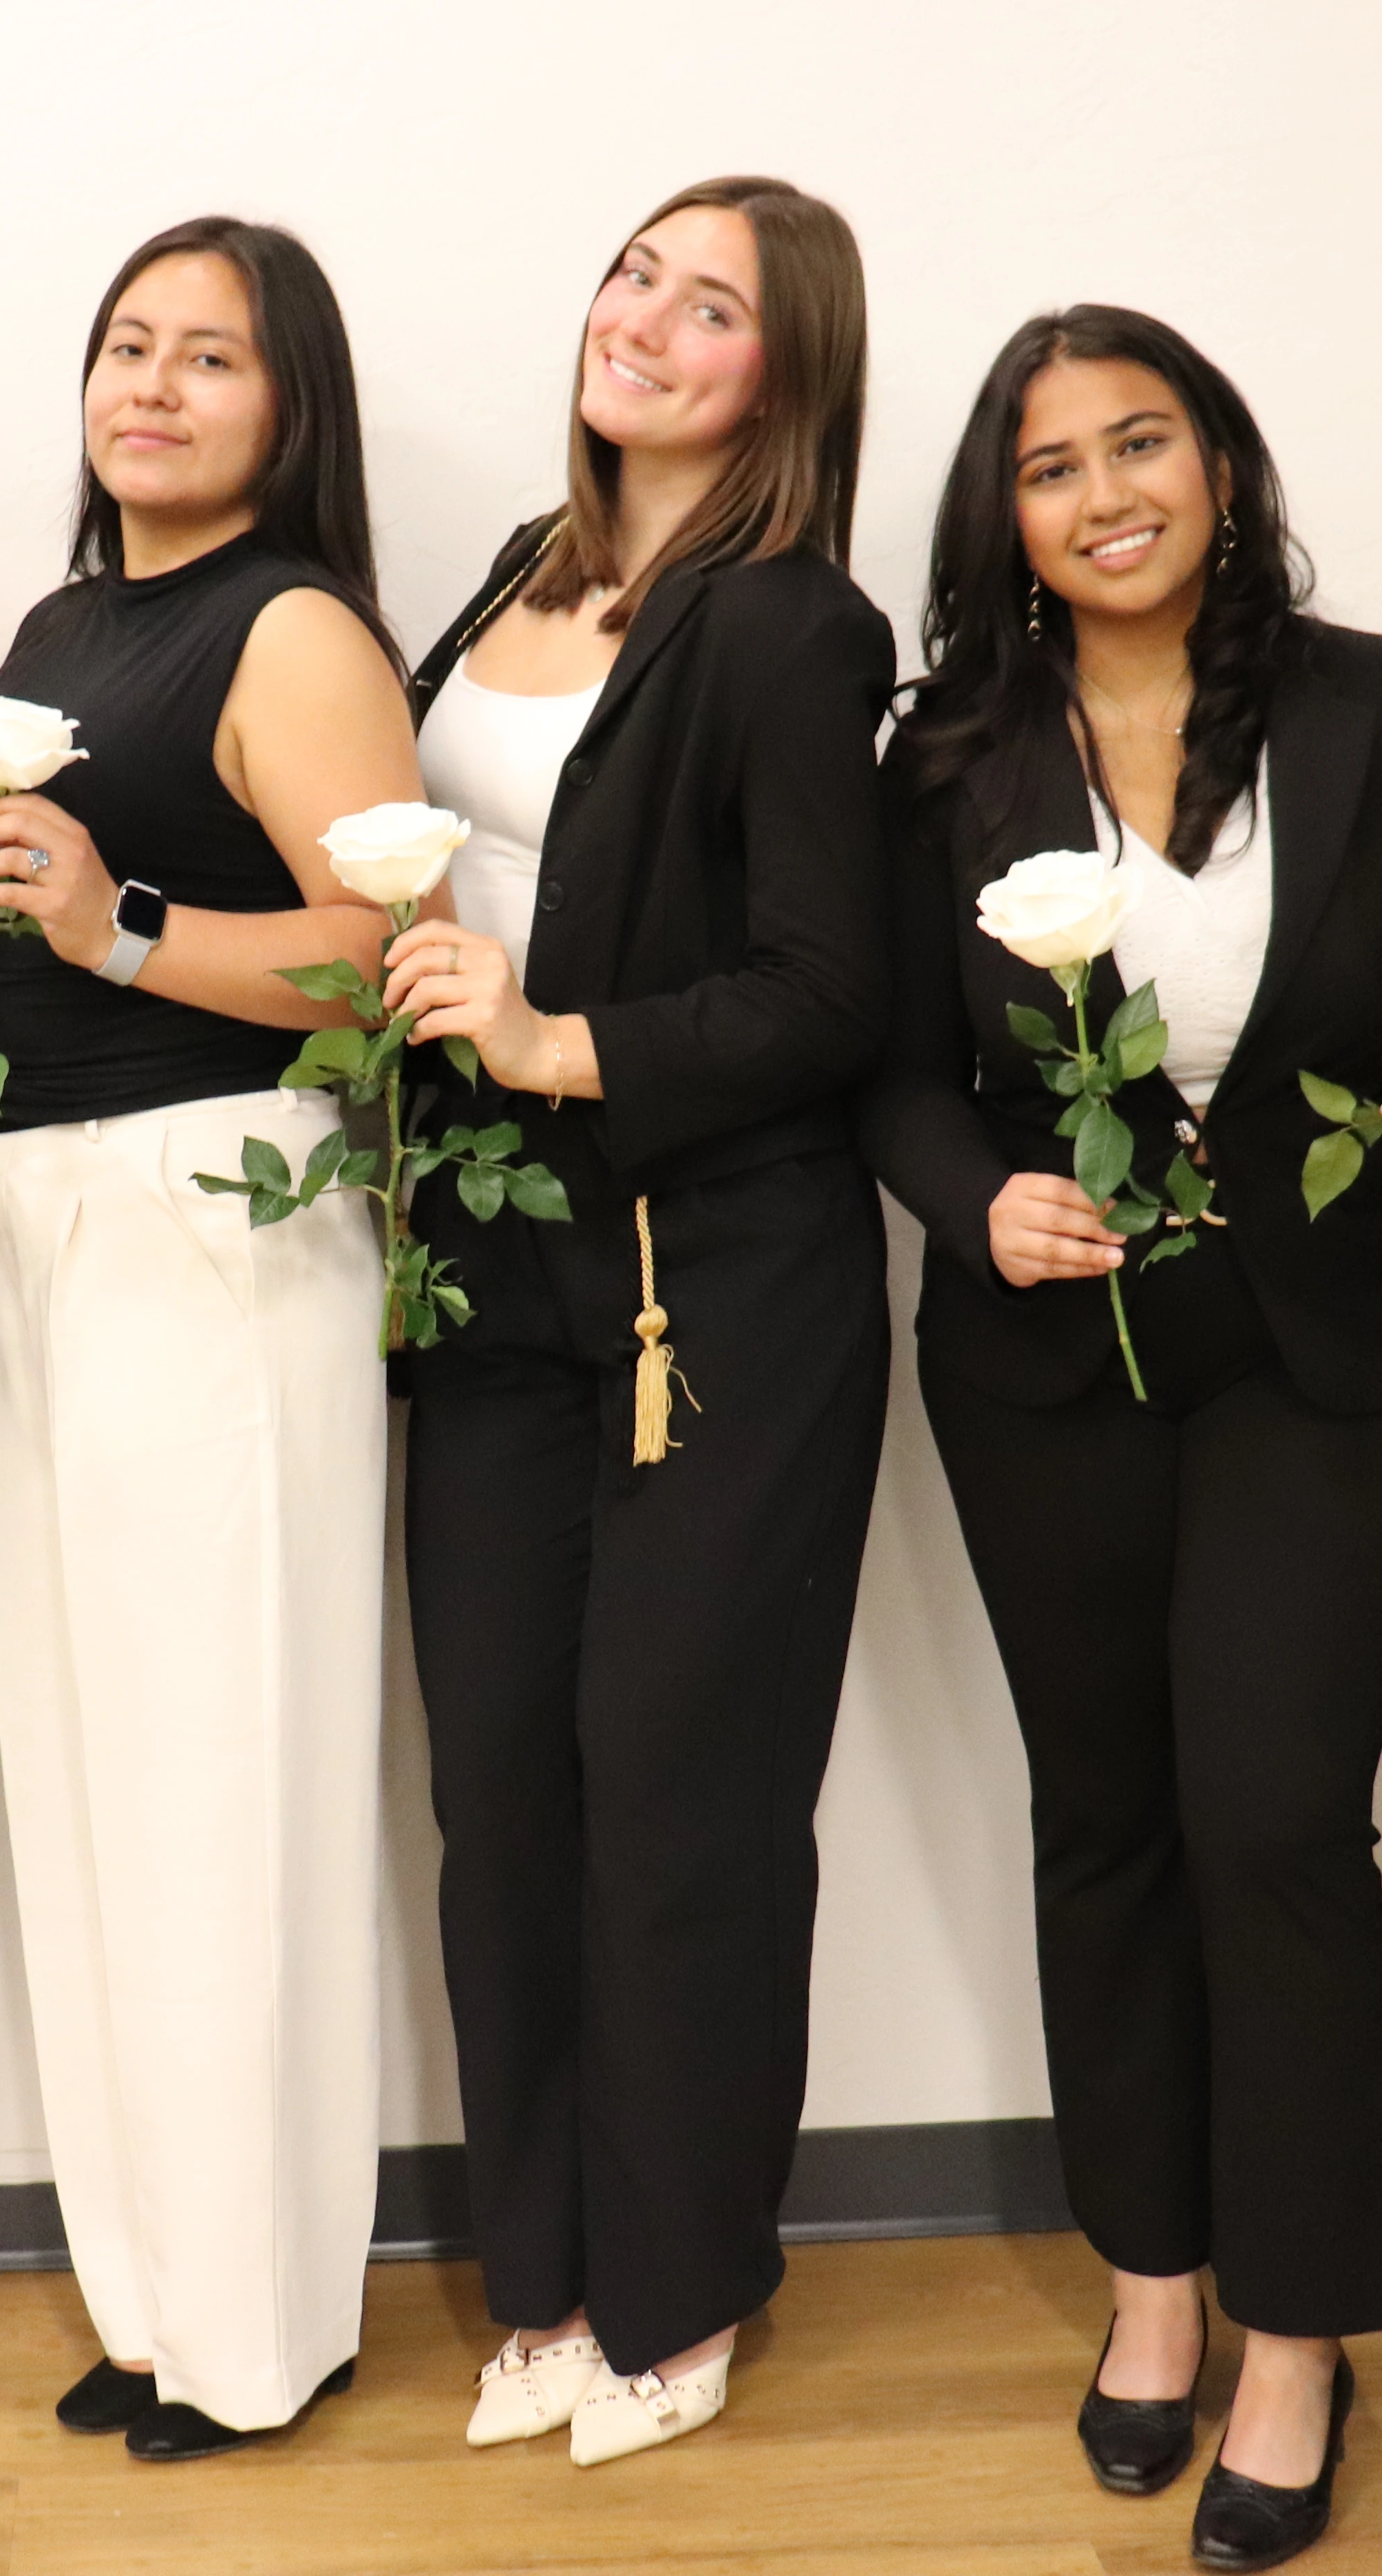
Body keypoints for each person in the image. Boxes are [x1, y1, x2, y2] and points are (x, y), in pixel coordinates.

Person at [862, 306, 1382, 2569]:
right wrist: (967, 1193)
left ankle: (1299, 2340)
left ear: (1220, 463)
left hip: (1313, 1352)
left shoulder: (1380, 701)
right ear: (1000, 518)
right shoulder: (943, 757)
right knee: (1105, 1818)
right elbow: (895, 1063)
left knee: (1276, 1819)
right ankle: (1154, 2289)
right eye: (1051, 467)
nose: (1106, 493)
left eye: (1145, 444)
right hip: (1052, 1363)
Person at [383, 175, 894, 2467]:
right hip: (492, 1273)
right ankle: (553, 2274)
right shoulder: (518, 565)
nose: (651, 326)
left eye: (715, 310)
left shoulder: (794, 626)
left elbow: (824, 992)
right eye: (635, 278)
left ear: (780, 377)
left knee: (677, 1797)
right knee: (503, 1792)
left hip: (722, 1289)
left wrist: (554, 1039)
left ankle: (680, 2288)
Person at [0, 215, 427, 2460]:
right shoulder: (65, 622)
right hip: (47, 1225)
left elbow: (374, 959)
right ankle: (155, 2296)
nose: (152, 386)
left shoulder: (294, 621)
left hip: (215, 1214)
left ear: (284, 403)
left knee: (225, 1773)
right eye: (128, 346)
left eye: (208, 357)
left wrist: (117, 923)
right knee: (98, 1781)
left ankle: (259, 2322)